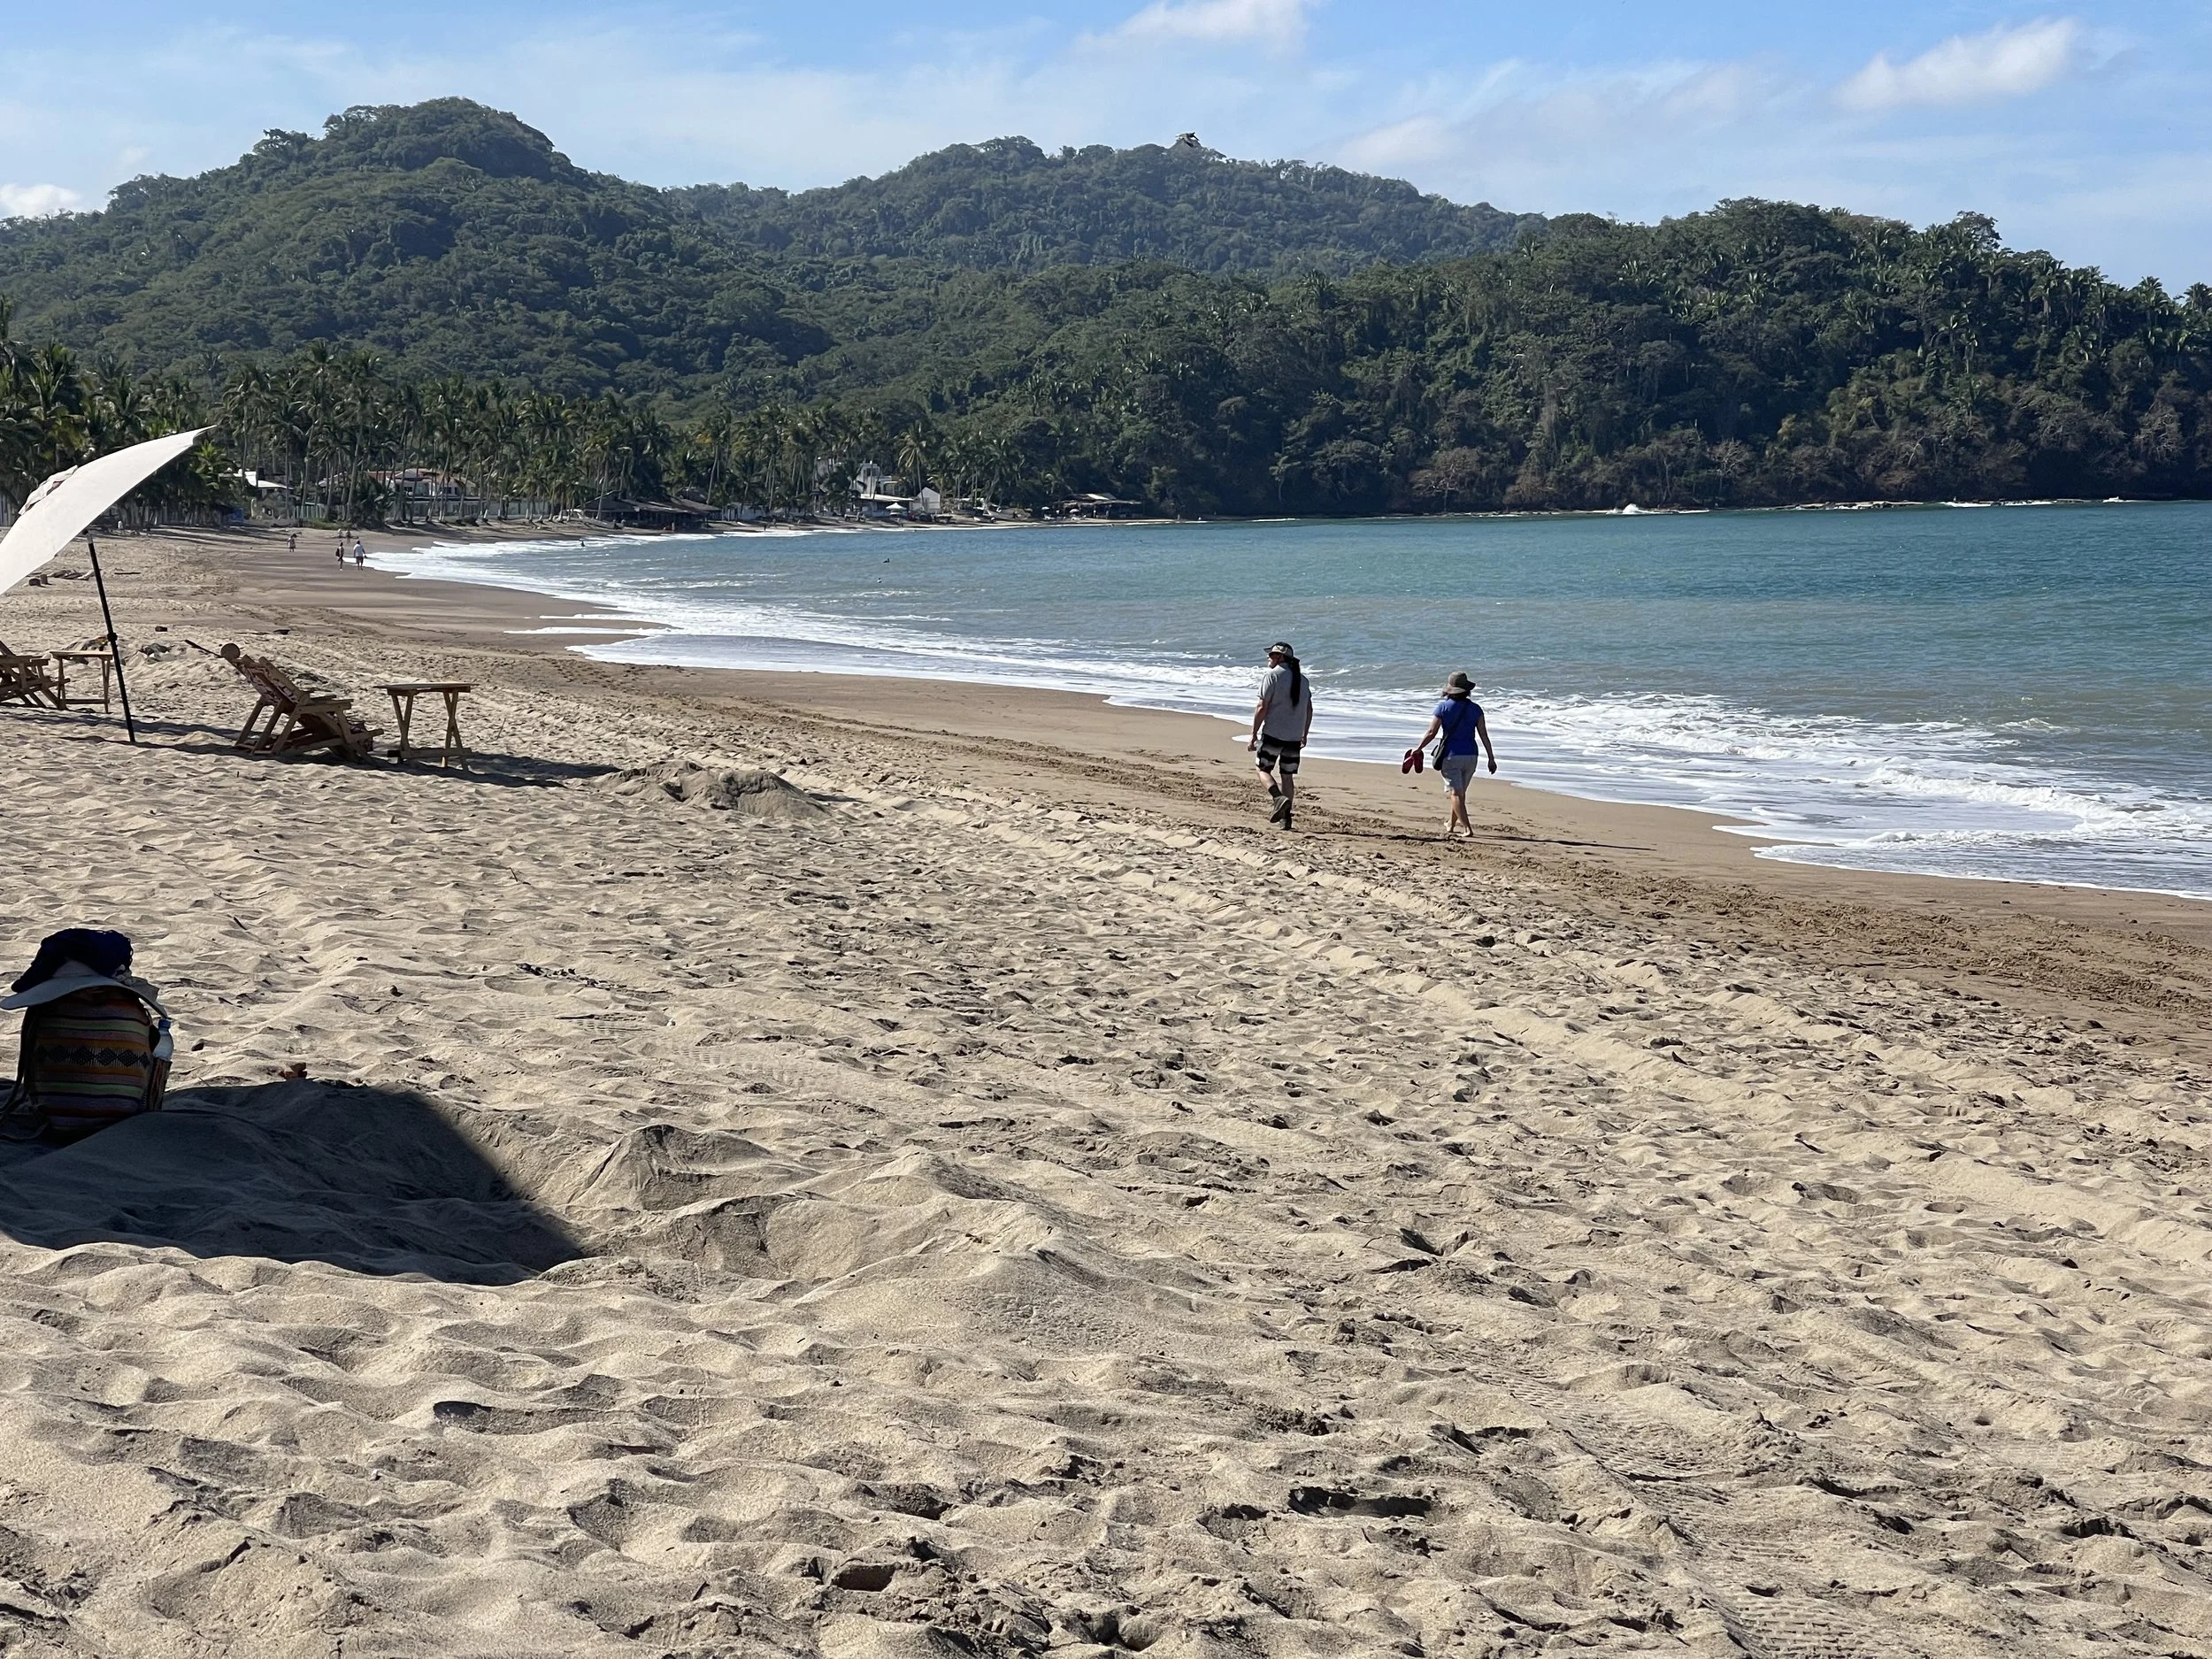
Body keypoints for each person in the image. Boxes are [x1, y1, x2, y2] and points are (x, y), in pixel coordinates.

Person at [1417, 671, 1497, 838]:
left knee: (1455, 794)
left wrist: (1418, 748)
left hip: (1451, 756)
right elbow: (1484, 735)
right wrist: (1491, 758)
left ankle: (1467, 829)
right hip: (1471, 756)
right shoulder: (1475, 709)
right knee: (1460, 794)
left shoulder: (1443, 708)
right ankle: (1451, 824)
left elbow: (1432, 732)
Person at [1248, 641, 1314, 829]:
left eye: (1271, 655)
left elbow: (1262, 707)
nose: (1268, 657)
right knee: (1287, 776)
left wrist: (1253, 734)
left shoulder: (1272, 676)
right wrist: (1304, 733)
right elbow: (1309, 709)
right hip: (1294, 737)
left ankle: (1278, 798)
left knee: (1262, 769)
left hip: (1273, 734)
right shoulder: (1303, 680)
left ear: (1279, 657)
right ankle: (1286, 819)